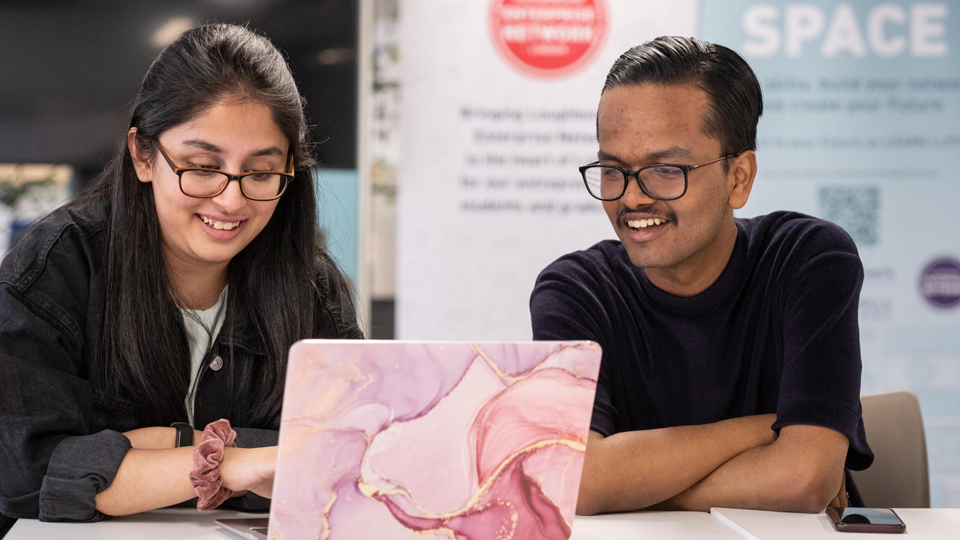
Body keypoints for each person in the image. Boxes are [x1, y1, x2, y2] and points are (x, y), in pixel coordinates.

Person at [0, 23, 362, 524]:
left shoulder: (312, 289)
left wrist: (160, 448)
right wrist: (231, 463)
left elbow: (352, 458)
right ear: (143, 156)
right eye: (202, 166)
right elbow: (25, 475)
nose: (231, 200)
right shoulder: (58, 266)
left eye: (260, 173)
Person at [530, 36, 873, 515]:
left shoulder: (808, 259)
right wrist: (767, 428)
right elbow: (579, 482)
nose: (631, 199)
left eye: (666, 169)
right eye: (613, 170)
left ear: (739, 178)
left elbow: (804, 479)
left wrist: (627, 485)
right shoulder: (575, 291)